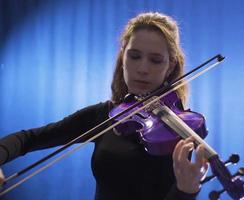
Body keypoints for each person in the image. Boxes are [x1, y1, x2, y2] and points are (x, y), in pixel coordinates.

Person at [0, 12, 208, 200]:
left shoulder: (176, 129)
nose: (143, 68)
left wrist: (185, 191)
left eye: (155, 60)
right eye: (134, 56)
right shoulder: (105, 115)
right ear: (123, 58)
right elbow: (28, 138)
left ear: (169, 66)